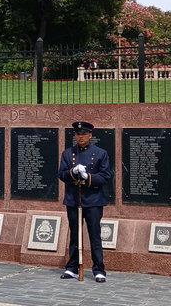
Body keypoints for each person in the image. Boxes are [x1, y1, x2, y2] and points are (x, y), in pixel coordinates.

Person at [58, 121, 111, 283]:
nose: (81, 137)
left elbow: (105, 176)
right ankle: (72, 268)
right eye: (78, 134)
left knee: (94, 236)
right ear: (75, 135)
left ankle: (99, 269)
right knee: (74, 235)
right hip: (74, 199)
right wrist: (72, 172)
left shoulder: (100, 153)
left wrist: (88, 177)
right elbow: (61, 174)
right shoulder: (68, 154)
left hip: (93, 200)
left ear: (90, 135)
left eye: (84, 134)